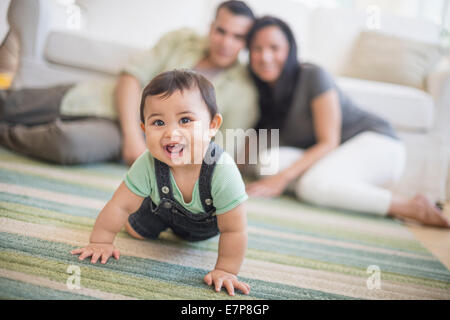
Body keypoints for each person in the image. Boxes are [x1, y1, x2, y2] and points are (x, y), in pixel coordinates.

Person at [245, 16, 450, 228]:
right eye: (257, 49)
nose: (265, 57)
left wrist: (283, 179)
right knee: (268, 163)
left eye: (274, 48)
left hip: (377, 143)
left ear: (290, 49)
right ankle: (346, 190)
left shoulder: (312, 75)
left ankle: (411, 206)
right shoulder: (263, 92)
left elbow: (329, 142)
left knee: (311, 186)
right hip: (332, 157)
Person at [0, 1, 258, 166]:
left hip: (139, 137)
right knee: (10, 104)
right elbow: (130, 77)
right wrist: (133, 136)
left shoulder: (244, 91)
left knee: (66, 145)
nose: (226, 42)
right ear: (211, 27)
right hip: (99, 99)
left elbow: (219, 150)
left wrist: (150, 147)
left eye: (238, 37)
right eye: (221, 31)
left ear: (246, 43)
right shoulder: (181, 40)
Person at [71, 70, 251, 296]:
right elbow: (120, 205)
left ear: (212, 125)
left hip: (205, 228)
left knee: (220, 232)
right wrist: (101, 241)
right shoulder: (147, 163)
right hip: (158, 212)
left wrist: (226, 269)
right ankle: (146, 218)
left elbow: (234, 230)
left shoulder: (222, 170)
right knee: (136, 230)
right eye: (158, 122)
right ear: (144, 129)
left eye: (185, 120)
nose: (171, 132)